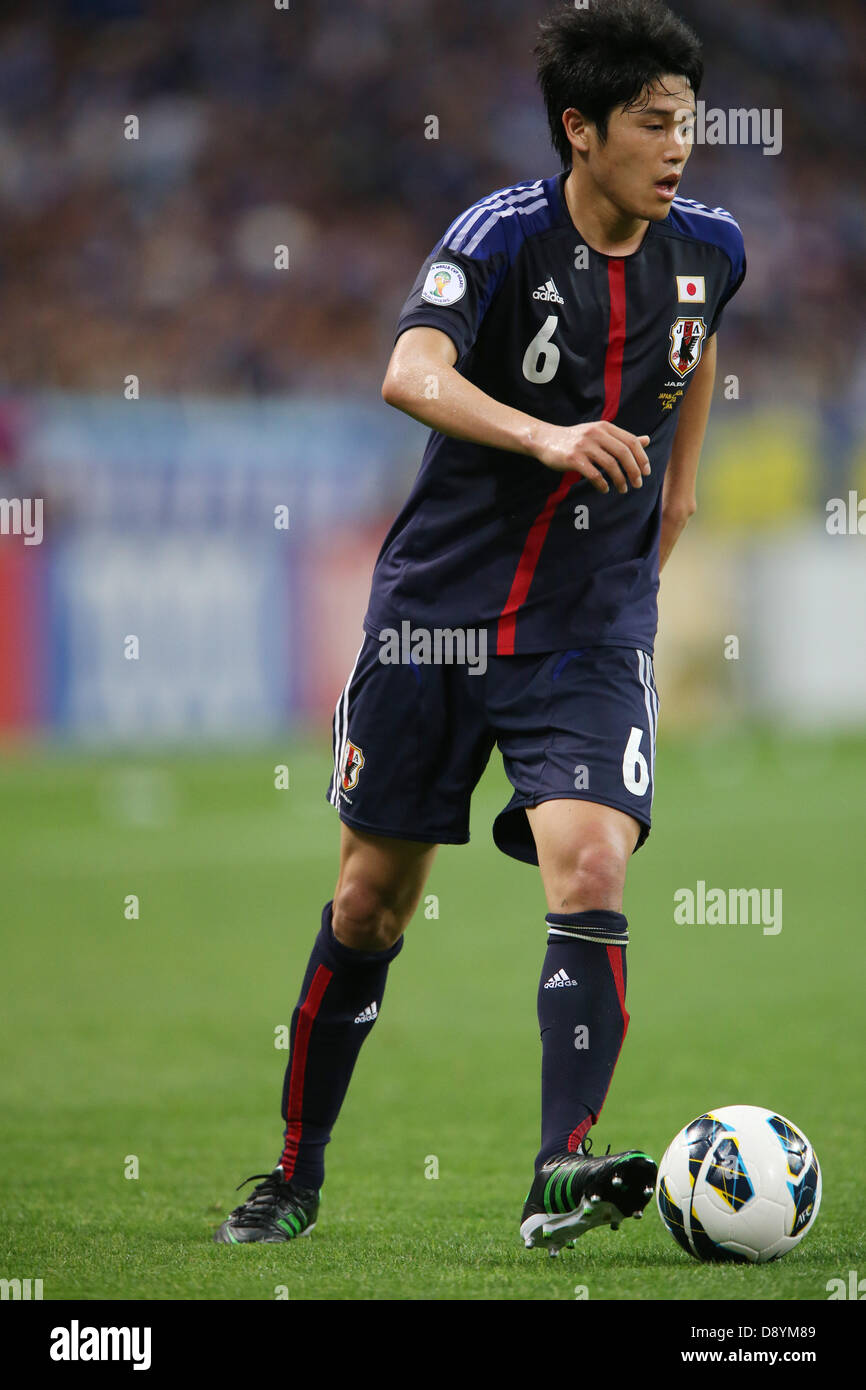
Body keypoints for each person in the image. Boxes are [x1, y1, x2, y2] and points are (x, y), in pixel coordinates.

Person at [214, 0, 746, 1254]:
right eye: (652, 124)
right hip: (438, 618)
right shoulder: (497, 237)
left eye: (690, 123)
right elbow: (407, 372)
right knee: (370, 904)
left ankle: (558, 1167)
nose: (678, 147)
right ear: (580, 128)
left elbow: (699, 344)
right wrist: (548, 432)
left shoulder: (709, 248)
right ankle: (293, 1171)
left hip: (589, 623)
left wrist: (679, 492)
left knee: (590, 863)